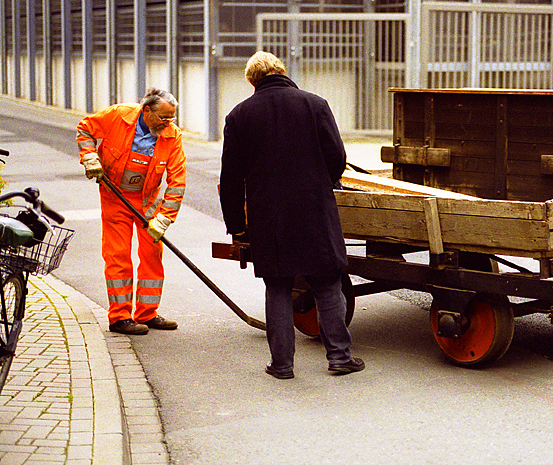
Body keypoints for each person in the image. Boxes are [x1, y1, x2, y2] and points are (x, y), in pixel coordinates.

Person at [219, 51, 364, 379]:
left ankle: (282, 365)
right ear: (282, 71)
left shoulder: (239, 116)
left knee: (279, 288)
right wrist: (321, 183)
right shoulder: (314, 104)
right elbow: (337, 156)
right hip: (314, 210)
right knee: (327, 284)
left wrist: (237, 227)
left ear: (252, 81)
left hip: (269, 217)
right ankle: (340, 357)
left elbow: (231, 178)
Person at [76, 88, 186, 335]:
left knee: (152, 253)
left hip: (147, 199)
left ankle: (147, 313)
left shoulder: (171, 135)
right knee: (118, 256)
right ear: (147, 110)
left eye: (172, 118)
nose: (168, 123)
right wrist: (90, 157)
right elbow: (84, 128)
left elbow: (177, 180)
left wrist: (164, 219)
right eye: (163, 118)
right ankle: (119, 317)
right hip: (115, 196)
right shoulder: (118, 116)